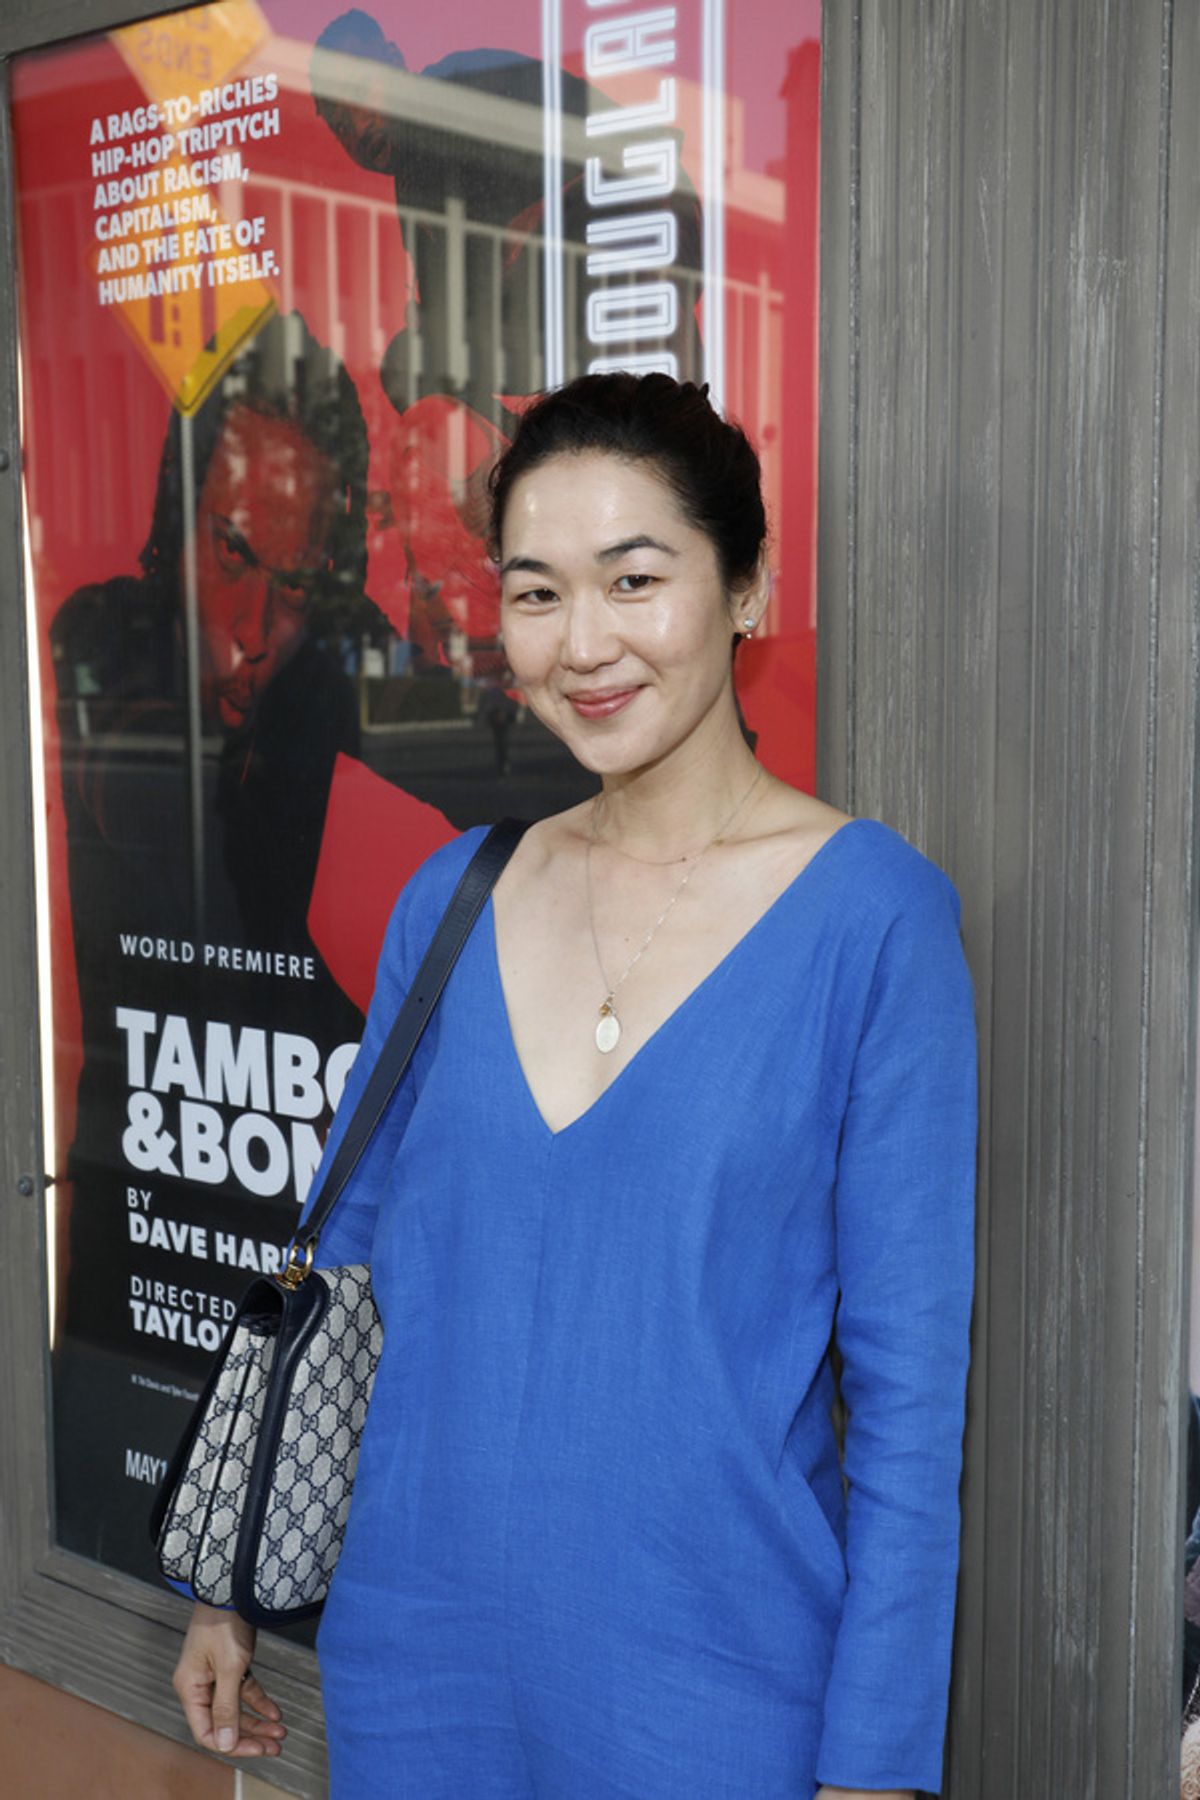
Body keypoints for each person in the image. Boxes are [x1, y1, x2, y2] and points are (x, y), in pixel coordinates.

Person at [172, 373, 977, 1799]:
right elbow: (337, 1254)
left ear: (747, 589)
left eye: (636, 579)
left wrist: (875, 1766)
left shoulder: (875, 922)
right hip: (416, 1670)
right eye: (537, 593)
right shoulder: (454, 898)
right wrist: (230, 1578)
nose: (583, 645)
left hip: (718, 1694)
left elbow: (909, 1401)